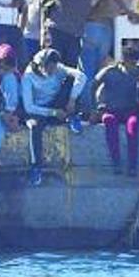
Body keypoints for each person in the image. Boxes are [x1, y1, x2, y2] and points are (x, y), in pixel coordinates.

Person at [22, 49, 87, 185]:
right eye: (48, 68)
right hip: (40, 111)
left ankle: (72, 117)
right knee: (34, 127)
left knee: (71, 81)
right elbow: (29, 107)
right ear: (40, 64)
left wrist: (72, 99)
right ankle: (36, 167)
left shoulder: (59, 69)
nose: (51, 71)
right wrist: (52, 112)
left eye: (53, 67)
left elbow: (81, 77)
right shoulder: (28, 77)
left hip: (59, 104)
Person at [81, 0, 139, 86]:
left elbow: (91, 4)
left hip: (93, 26)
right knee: (102, 69)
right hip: (113, 31)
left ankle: (87, 104)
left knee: (87, 71)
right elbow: (131, 11)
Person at [94, 43, 139, 176]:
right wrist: (96, 107)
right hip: (111, 110)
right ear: (124, 60)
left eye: (135, 63)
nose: (132, 66)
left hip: (130, 111)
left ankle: (132, 166)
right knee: (110, 122)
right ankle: (116, 163)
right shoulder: (109, 71)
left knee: (133, 125)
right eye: (130, 63)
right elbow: (93, 85)